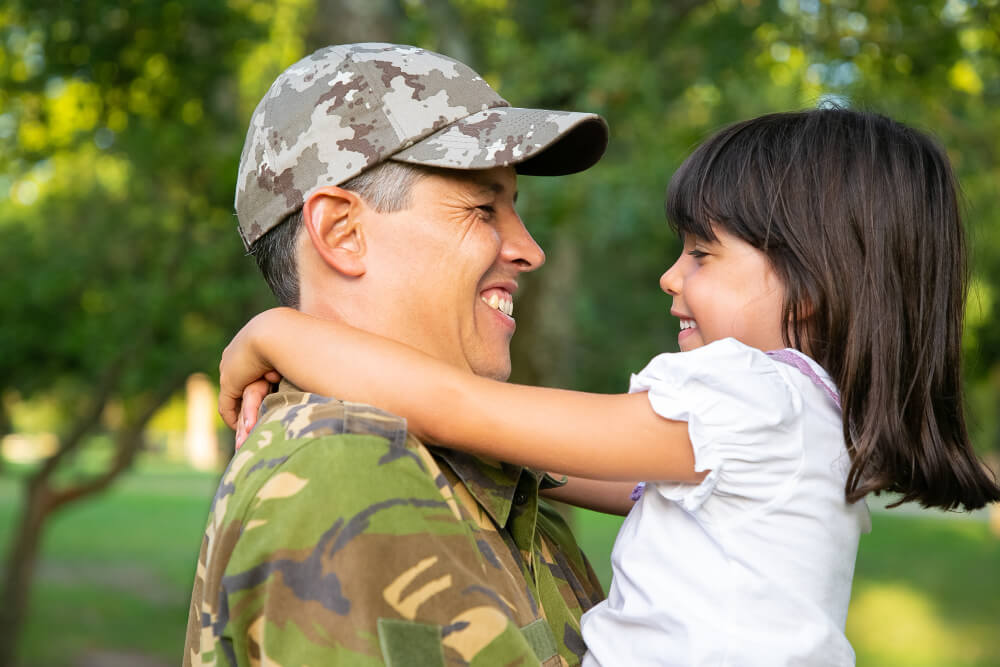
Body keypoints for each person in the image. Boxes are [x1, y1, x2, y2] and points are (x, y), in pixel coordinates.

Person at [219, 108, 1000, 666]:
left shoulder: (748, 397)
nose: (671, 276)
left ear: (814, 285)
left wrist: (275, 334)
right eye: (483, 208)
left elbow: (467, 411)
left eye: (701, 254)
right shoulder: (798, 418)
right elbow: (572, 466)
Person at [184, 42, 613, 666]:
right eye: (482, 209)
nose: (529, 249)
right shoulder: (348, 469)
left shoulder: (474, 471)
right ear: (342, 232)